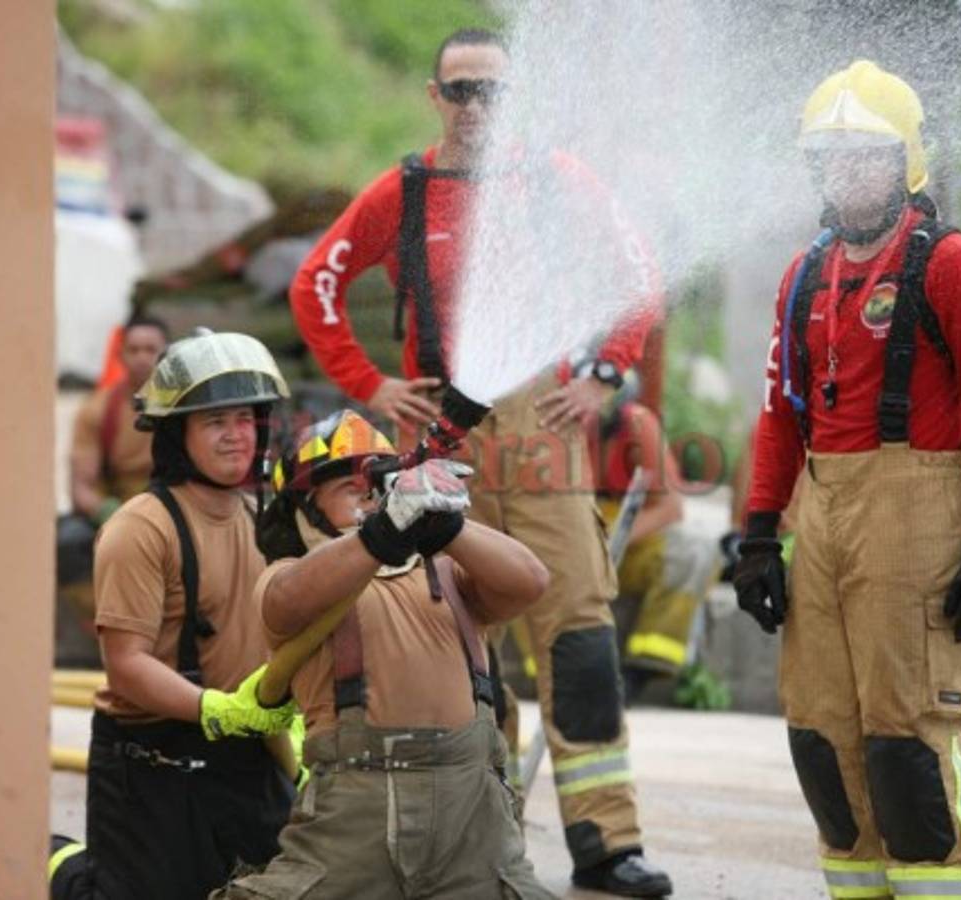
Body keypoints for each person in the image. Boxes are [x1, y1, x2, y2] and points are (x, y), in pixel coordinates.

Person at [287, 27, 671, 896]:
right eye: (459, 91)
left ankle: (606, 843)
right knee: (458, 633)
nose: (474, 108)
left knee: (576, 631)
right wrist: (372, 386)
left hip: (540, 422)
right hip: (442, 430)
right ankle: (480, 833)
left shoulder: (556, 182)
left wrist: (606, 373)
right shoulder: (403, 192)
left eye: (490, 92)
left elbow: (637, 271)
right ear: (434, 98)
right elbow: (315, 283)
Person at [733, 61, 961, 900]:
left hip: (917, 510)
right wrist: (759, 534)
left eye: (866, 154)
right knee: (821, 737)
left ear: (906, 163)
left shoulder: (952, 264)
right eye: (829, 156)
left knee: (907, 742)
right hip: (819, 515)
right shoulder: (803, 276)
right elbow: (777, 414)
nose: (846, 171)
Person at [215, 410, 555, 899]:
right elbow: (288, 601)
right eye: (348, 488)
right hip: (355, 815)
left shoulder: (450, 575)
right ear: (304, 508)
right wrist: (378, 535)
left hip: (471, 818)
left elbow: (531, 581)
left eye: (376, 485)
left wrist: (449, 528)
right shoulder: (290, 578)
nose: (370, 497)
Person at [49, 330, 300, 900]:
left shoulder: (265, 518)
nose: (236, 436)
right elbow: (126, 666)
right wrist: (215, 708)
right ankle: (58, 864)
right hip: (152, 758)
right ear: (175, 434)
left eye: (244, 418)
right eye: (215, 422)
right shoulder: (141, 528)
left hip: (248, 749)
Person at [589, 377, 722, 704]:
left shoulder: (637, 425)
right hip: (575, 543)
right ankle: (550, 672)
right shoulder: (556, 425)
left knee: (694, 553)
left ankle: (642, 670)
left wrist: (608, 543)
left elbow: (670, 508)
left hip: (625, 543)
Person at [57, 313, 169, 620]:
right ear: (120, 354)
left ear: (167, 353)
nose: (142, 358)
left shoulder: (186, 407)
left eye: (151, 350)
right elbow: (81, 487)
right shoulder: (98, 409)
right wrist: (113, 514)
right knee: (68, 542)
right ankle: (109, 625)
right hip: (118, 509)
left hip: (174, 508)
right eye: (134, 350)